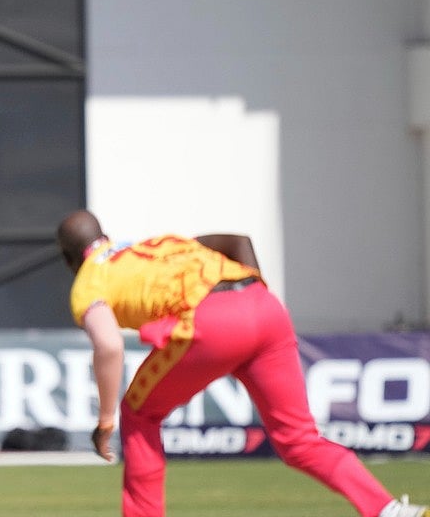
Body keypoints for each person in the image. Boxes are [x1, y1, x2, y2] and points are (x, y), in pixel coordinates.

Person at [56, 209, 428, 517]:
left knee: (138, 413)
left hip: (210, 323)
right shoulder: (153, 245)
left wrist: (106, 420)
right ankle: (390, 510)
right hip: (264, 309)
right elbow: (239, 242)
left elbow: (108, 345)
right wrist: (248, 311)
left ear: (69, 260)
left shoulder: (88, 281)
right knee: (299, 441)